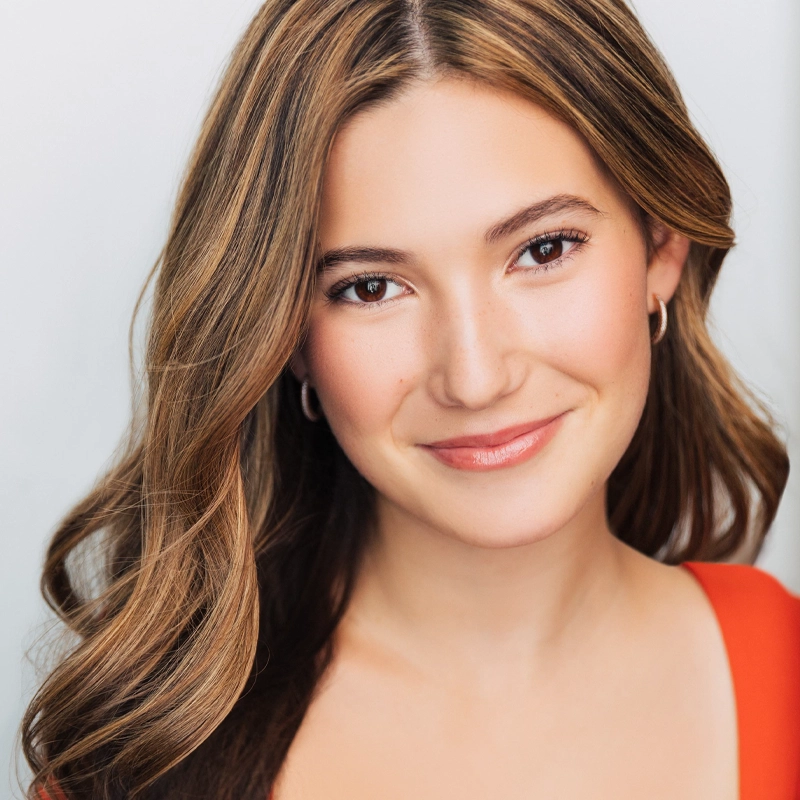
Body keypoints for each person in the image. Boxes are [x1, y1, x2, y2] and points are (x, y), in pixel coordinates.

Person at [22, 0, 799, 798]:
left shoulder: (787, 674)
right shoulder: (144, 770)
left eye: (544, 248)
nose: (474, 376)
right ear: (287, 337)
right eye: (371, 287)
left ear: (662, 246)